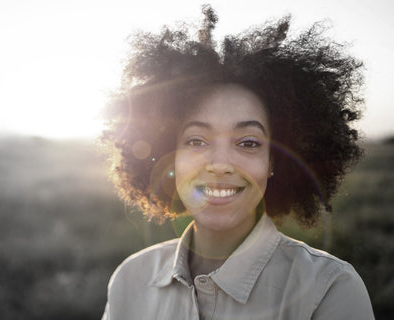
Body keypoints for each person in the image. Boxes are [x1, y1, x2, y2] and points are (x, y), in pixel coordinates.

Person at [101, 5, 374, 320]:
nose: (220, 164)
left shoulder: (330, 290)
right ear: (170, 155)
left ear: (274, 161)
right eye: (196, 141)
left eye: (248, 143)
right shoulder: (130, 279)